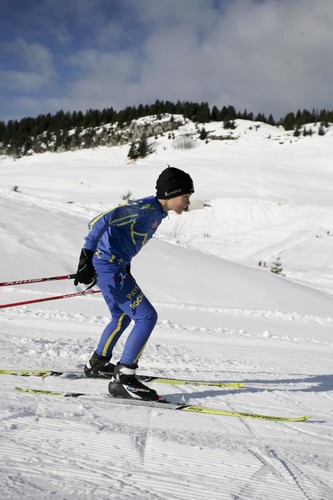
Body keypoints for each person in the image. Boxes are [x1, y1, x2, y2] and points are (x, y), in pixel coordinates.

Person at [74, 166, 194, 401]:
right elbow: (100, 220)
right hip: (108, 265)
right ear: (171, 193)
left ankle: (97, 363)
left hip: (113, 265)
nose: (187, 203)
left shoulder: (157, 212)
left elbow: (122, 235)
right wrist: (86, 256)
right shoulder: (146, 209)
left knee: (121, 317)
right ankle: (124, 378)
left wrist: (120, 260)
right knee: (146, 316)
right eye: (186, 197)